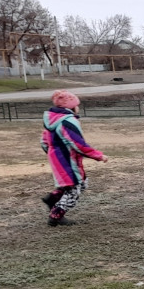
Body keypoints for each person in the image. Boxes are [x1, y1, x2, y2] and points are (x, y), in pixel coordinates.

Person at [40, 90, 108, 227]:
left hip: (58, 158)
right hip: (67, 159)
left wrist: (52, 153)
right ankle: (56, 215)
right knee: (76, 187)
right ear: (71, 107)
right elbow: (78, 144)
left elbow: (43, 141)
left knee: (79, 183)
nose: (78, 107)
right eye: (77, 105)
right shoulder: (68, 121)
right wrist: (98, 156)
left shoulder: (52, 119)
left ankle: (53, 197)